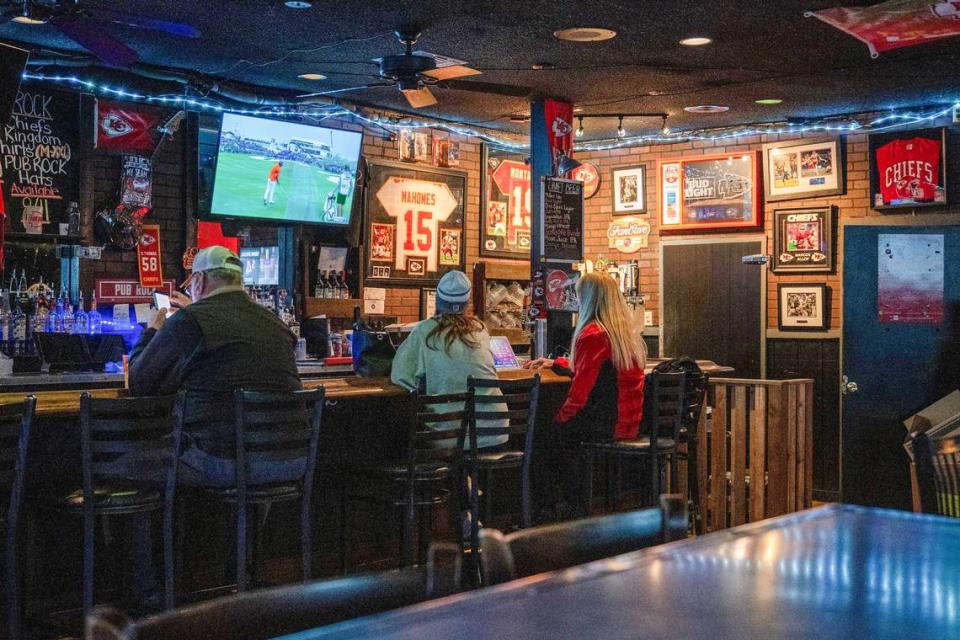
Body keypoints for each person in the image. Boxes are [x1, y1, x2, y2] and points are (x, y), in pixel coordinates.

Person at [128, 245, 302, 487]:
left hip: (220, 463)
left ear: (199, 281)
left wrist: (151, 331)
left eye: (190, 284)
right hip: (290, 460)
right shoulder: (275, 323)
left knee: (120, 462)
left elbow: (139, 384)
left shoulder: (189, 321)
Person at [524, 271, 647, 519]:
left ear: (588, 299)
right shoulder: (626, 336)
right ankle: (569, 506)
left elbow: (579, 395)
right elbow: (593, 368)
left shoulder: (592, 335)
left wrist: (559, 418)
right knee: (558, 436)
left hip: (604, 425)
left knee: (540, 436)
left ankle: (551, 511)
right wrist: (556, 363)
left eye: (579, 296)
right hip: (631, 423)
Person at [391, 270, 507, 450]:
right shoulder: (480, 329)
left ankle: (455, 478)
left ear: (437, 300)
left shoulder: (424, 332)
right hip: (495, 434)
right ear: (467, 303)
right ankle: (469, 478)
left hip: (449, 437)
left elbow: (401, 377)